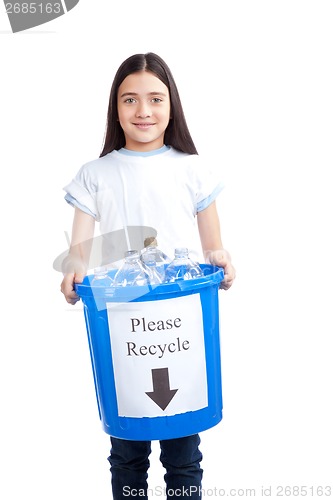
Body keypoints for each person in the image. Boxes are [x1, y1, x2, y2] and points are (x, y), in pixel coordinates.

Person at [60, 52, 236, 500]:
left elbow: (212, 245)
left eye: (155, 99)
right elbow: (80, 252)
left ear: (171, 105)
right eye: (130, 100)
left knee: (183, 452)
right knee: (127, 453)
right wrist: (74, 272)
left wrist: (223, 261)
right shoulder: (96, 174)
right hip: (123, 324)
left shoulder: (192, 168)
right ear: (114, 108)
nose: (143, 111)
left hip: (179, 323)